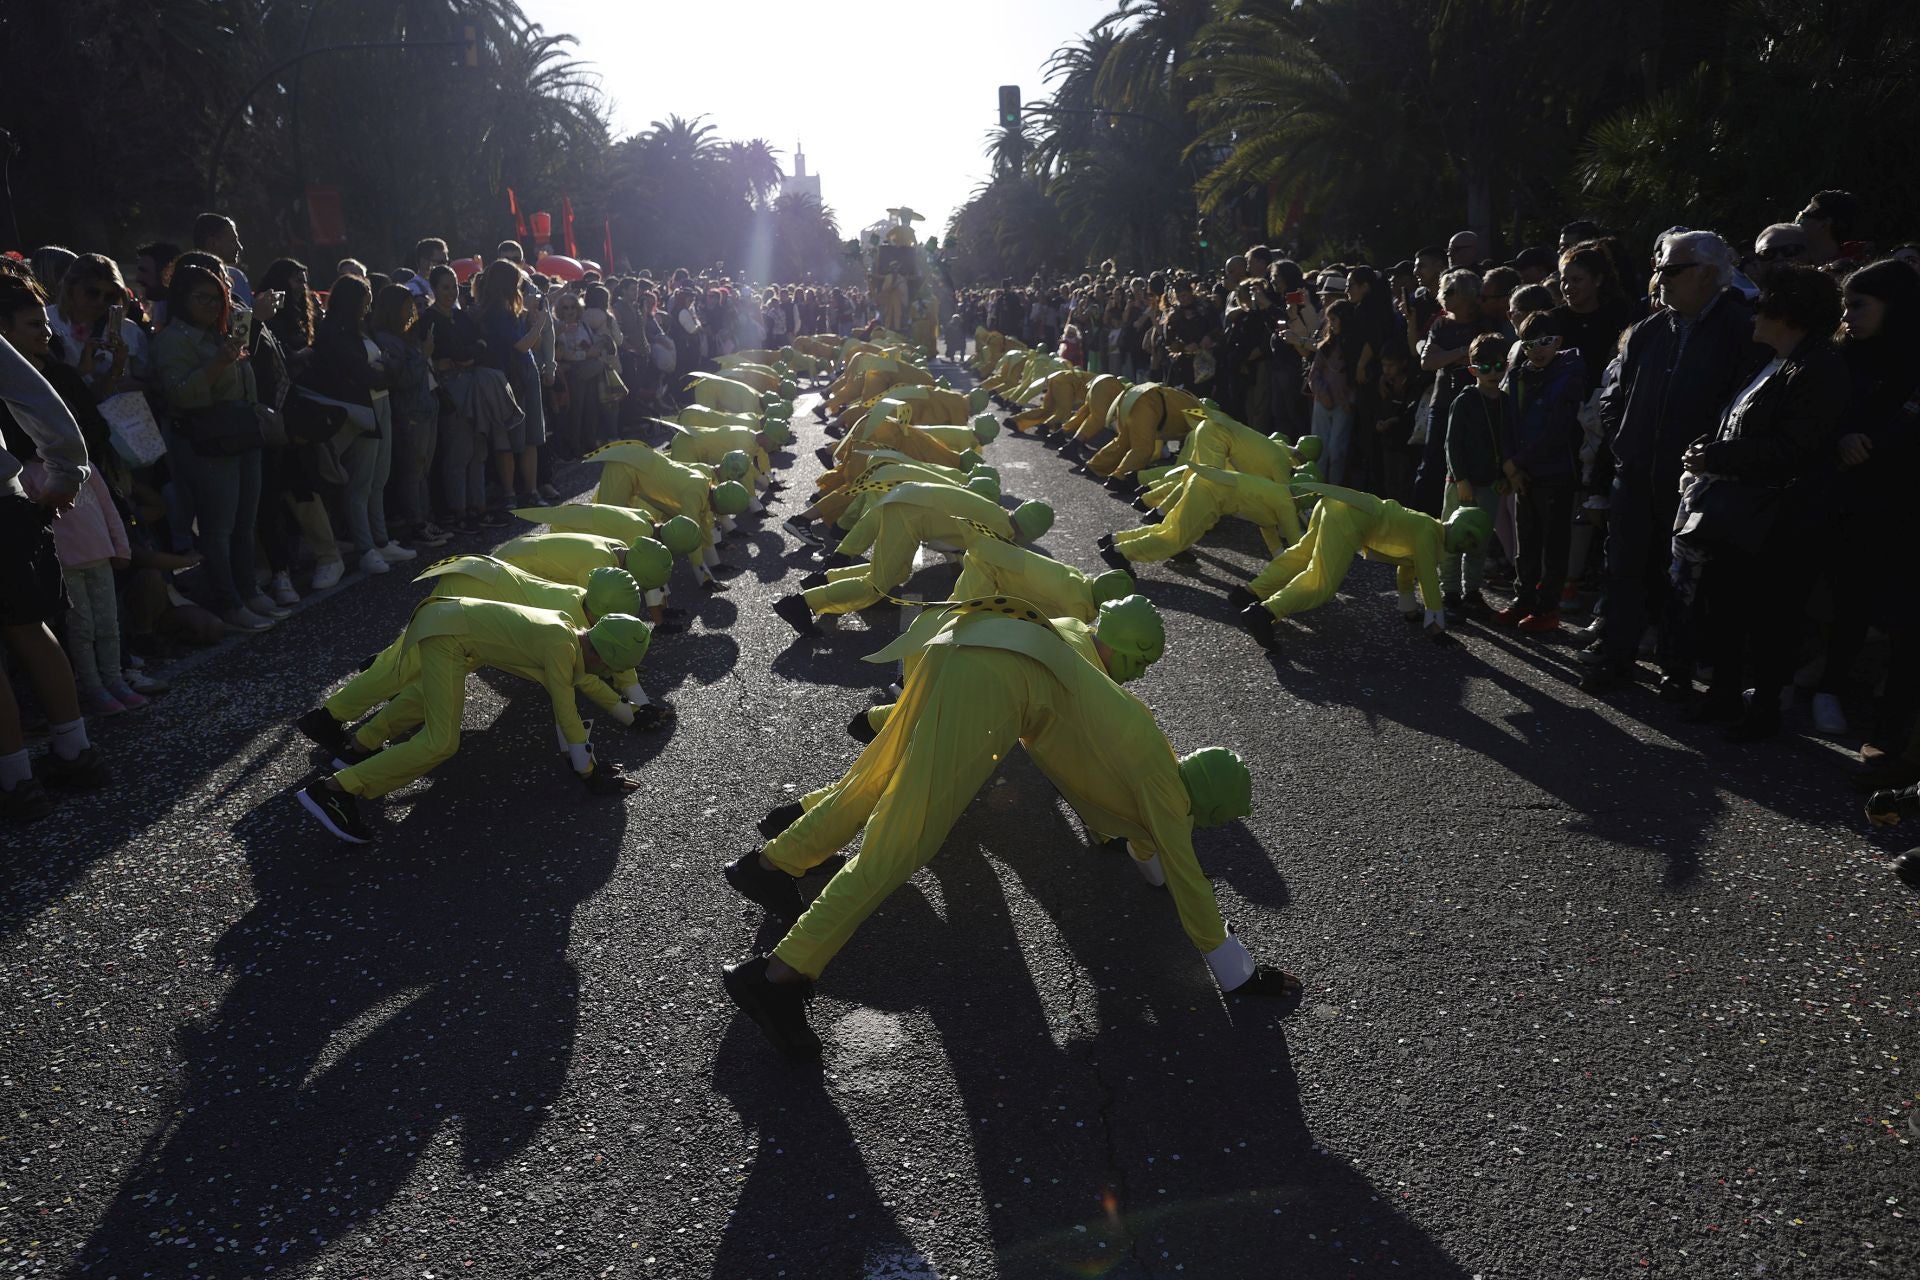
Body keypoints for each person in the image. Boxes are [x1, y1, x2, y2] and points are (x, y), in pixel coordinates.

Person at [719, 600, 1298, 1060]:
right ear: (1209, 809)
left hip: (970, 637)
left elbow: (1152, 850)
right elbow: (1183, 871)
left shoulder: (1149, 751)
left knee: (879, 777)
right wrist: (1237, 972)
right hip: (993, 679)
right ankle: (777, 978)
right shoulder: (1166, 794)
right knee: (902, 843)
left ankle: (773, 864)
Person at [293, 602, 650, 843]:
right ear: (603, 657)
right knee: (440, 741)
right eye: (609, 668)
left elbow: (566, 697)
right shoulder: (561, 646)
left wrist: (583, 760)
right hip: (447, 635)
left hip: (449, 626)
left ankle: (356, 751)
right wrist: (587, 772)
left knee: (429, 702)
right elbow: (565, 707)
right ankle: (333, 791)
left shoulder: (567, 631)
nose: (605, 674)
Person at [1667, 265, 1847, 739]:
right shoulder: (1768, 361)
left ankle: (1764, 708)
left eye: (1764, 305)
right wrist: (1710, 446)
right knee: (1725, 605)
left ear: (1789, 314)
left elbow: (1796, 446)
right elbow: (1740, 422)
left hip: (1783, 517)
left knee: (1772, 616)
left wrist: (1718, 455)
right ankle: (1724, 694)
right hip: (1741, 512)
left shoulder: (1819, 367)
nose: (1754, 313)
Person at [1580, 230, 1762, 696]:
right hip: (1636, 472)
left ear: (1708, 275)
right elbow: (1613, 395)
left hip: (1698, 481)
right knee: (1623, 569)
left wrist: (1714, 457)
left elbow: (1748, 405)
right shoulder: (1648, 329)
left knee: (1686, 580)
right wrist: (1626, 441)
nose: (1660, 278)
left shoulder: (1744, 328)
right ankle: (1615, 656)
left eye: (1673, 270)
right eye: (1659, 268)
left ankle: (1676, 668)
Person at [0, 276, 111, 822]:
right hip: (4, 497)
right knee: (28, 625)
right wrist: (66, 470)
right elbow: (39, 398)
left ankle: (14, 779)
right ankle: (74, 750)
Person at [1818, 260, 1920, 760]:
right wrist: (1843, 435)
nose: (1848, 315)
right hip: (1853, 499)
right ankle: (1828, 688)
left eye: (1859, 304)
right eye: (1844, 304)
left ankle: (1889, 730)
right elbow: (1822, 414)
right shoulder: (1842, 357)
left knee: (1903, 616)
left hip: (1905, 504)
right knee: (1848, 597)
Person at [153, 261, 281, 631]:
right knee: (217, 528)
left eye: (218, 298)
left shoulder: (219, 333)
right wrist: (219, 361)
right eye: (202, 298)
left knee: (245, 523)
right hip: (206, 442)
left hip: (242, 434)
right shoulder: (172, 340)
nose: (211, 306)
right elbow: (180, 394)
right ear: (181, 299)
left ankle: (248, 591)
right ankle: (228, 601)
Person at [1236, 483, 1494, 649]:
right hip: (1350, 518)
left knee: (1303, 553)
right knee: (1321, 584)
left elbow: (1408, 569)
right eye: (1468, 535)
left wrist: (1409, 609)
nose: (1465, 544)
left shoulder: (1429, 530)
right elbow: (1427, 578)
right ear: (1458, 522)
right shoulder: (1429, 534)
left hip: (1339, 504)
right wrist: (1436, 627)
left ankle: (1250, 591)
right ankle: (1265, 613)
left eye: (1472, 544)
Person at [774, 484, 1054, 632]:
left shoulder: (995, 512)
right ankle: (800, 604)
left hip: (906, 498)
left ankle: (827, 579)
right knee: (879, 584)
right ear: (1030, 534)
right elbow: (981, 568)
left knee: (896, 571)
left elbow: (956, 543)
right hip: (910, 515)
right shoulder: (999, 531)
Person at [304, 274, 412, 576]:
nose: (370, 303)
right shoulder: (335, 333)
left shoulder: (361, 328)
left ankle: (380, 538)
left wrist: (384, 370)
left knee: (380, 477)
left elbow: (380, 370)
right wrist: (387, 369)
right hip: (360, 408)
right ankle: (366, 547)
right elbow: (363, 373)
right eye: (365, 297)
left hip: (381, 402)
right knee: (361, 482)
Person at [1499, 310, 1587, 632]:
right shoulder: (1518, 375)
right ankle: (1523, 599)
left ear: (1559, 342)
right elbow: (1507, 422)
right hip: (1523, 474)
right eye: (1530, 342)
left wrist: (1515, 462)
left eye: (1546, 341)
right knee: (1527, 543)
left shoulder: (1569, 375)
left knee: (1553, 546)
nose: (1538, 349)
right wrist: (1511, 466)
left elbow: (1557, 432)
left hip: (1555, 473)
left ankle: (1548, 608)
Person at [1440, 333, 1514, 621]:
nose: (1493, 373)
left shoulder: (1507, 402)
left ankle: (1472, 590)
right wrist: (1460, 479)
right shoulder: (1465, 400)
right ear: (1473, 371)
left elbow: (1508, 442)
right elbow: (1452, 443)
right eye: (1484, 368)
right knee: (1452, 538)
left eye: (1498, 366)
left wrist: (1505, 477)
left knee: (1479, 541)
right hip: (1462, 483)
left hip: (1491, 483)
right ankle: (1449, 592)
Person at [371, 284, 447, 549]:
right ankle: (416, 523)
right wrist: (423, 356)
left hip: (427, 406)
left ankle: (426, 519)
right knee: (412, 470)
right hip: (410, 411)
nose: (412, 311)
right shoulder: (386, 339)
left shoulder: (408, 335)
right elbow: (400, 380)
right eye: (407, 306)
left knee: (423, 468)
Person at [475, 259, 549, 513]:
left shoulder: (510, 309)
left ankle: (529, 490)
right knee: (507, 438)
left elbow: (531, 344)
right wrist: (540, 323)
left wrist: (531, 318)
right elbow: (520, 346)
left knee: (530, 437)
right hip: (509, 378)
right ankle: (513, 492)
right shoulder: (498, 312)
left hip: (522, 374)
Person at [1413, 270, 1485, 516]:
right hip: (1442, 402)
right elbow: (1427, 361)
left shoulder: (1483, 324)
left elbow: (1485, 357)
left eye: (1450, 291)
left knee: (1466, 464)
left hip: (1475, 403)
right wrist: (1461, 351)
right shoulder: (1440, 323)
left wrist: (1445, 353)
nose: (1443, 295)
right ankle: (1421, 516)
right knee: (1432, 462)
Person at [1308, 299, 1358, 486]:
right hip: (1323, 401)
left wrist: (1349, 400)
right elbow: (1314, 374)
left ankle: (1334, 486)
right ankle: (1317, 484)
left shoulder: (1355, 348)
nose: (1332, 325)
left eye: (1335, 320)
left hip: (1343, 405)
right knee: (1319, 448)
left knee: (1337, 449)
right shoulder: (1326, 346)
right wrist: (1322, 393)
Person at [190, 212, 253, 309]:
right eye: (233, 240)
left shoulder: (181, 278)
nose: (239, 247)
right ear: (213, 243)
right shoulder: (237, 278)